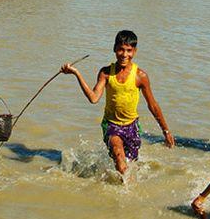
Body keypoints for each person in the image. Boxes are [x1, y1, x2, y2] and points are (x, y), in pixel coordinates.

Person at [60, 30, 175, 175]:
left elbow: (152, 105)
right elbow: (93, 98)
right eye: (121, 49)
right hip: (111, 125)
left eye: (129, 50)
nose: (124, 54)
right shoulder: (106, 73)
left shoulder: (140, 76)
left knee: (130, 167)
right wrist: (76, 73)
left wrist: (166, 131)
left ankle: (129, 191)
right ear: (114, 49)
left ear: (135, 51)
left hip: (132, 126)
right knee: (120, 159)